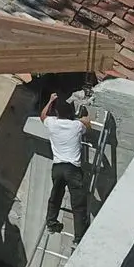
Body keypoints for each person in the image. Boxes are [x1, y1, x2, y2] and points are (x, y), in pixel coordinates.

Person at [41, 93, 93, 237]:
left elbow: (43, 115)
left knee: (55, 197)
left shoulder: (52, 123)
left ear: (57, 113)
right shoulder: (76, 126)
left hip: (57, 168)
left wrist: (50, 100)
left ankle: (51, 223)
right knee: (78, 204)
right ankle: (79, 237)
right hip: (72, 169)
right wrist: (84, 116)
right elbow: (88, 127)